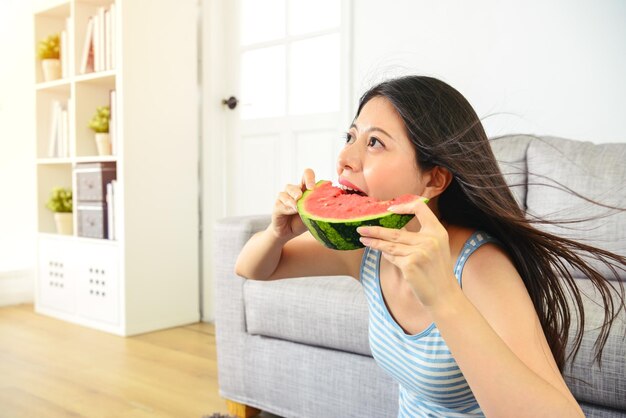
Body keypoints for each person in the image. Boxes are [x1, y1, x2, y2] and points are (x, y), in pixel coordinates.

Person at [235, 75, 625, 417]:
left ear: (433, 180)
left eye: (375, 143)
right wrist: (277, 233)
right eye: (350, 137)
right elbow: (253, 268)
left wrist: (443, 296)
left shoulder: (480, 265)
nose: (344, 159)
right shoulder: (366, 250)